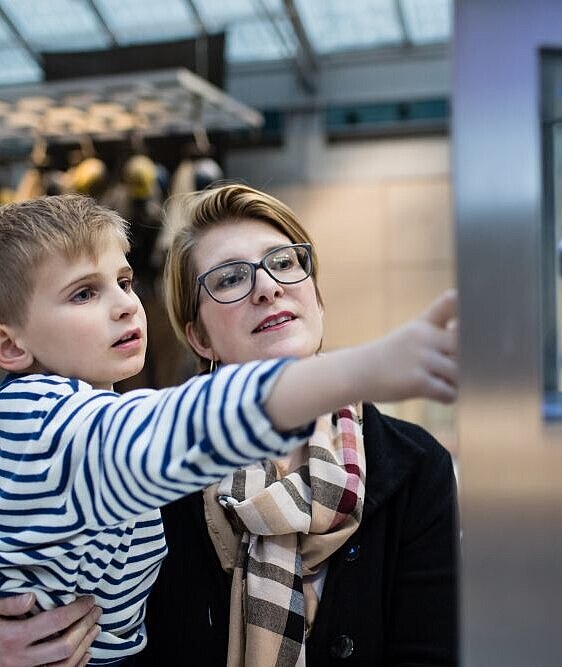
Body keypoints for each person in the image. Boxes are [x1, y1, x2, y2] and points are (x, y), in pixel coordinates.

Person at [0, 193, 458, 667]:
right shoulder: (139, 450)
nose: (268, 287)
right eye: (231, 278)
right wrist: (369, 366)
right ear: (197, 335)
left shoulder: (413, 464)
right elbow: (187, 424)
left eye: (284, 261)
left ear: (317, 295)